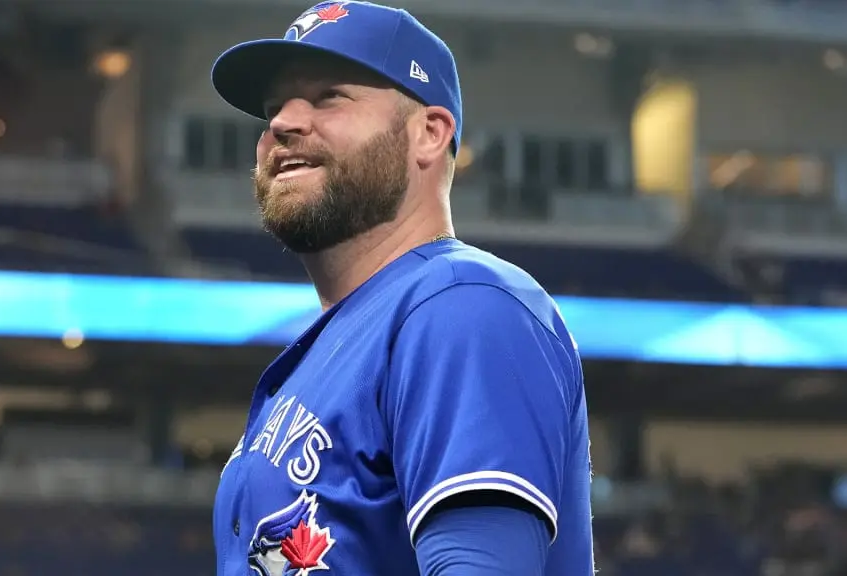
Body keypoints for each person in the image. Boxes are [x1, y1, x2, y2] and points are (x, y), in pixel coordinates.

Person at [209, 2, 594, 574]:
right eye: (272, 109)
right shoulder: (340, 341)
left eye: (328, 96)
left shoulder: (460, 304)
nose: (282, 123)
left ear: (429, 134)